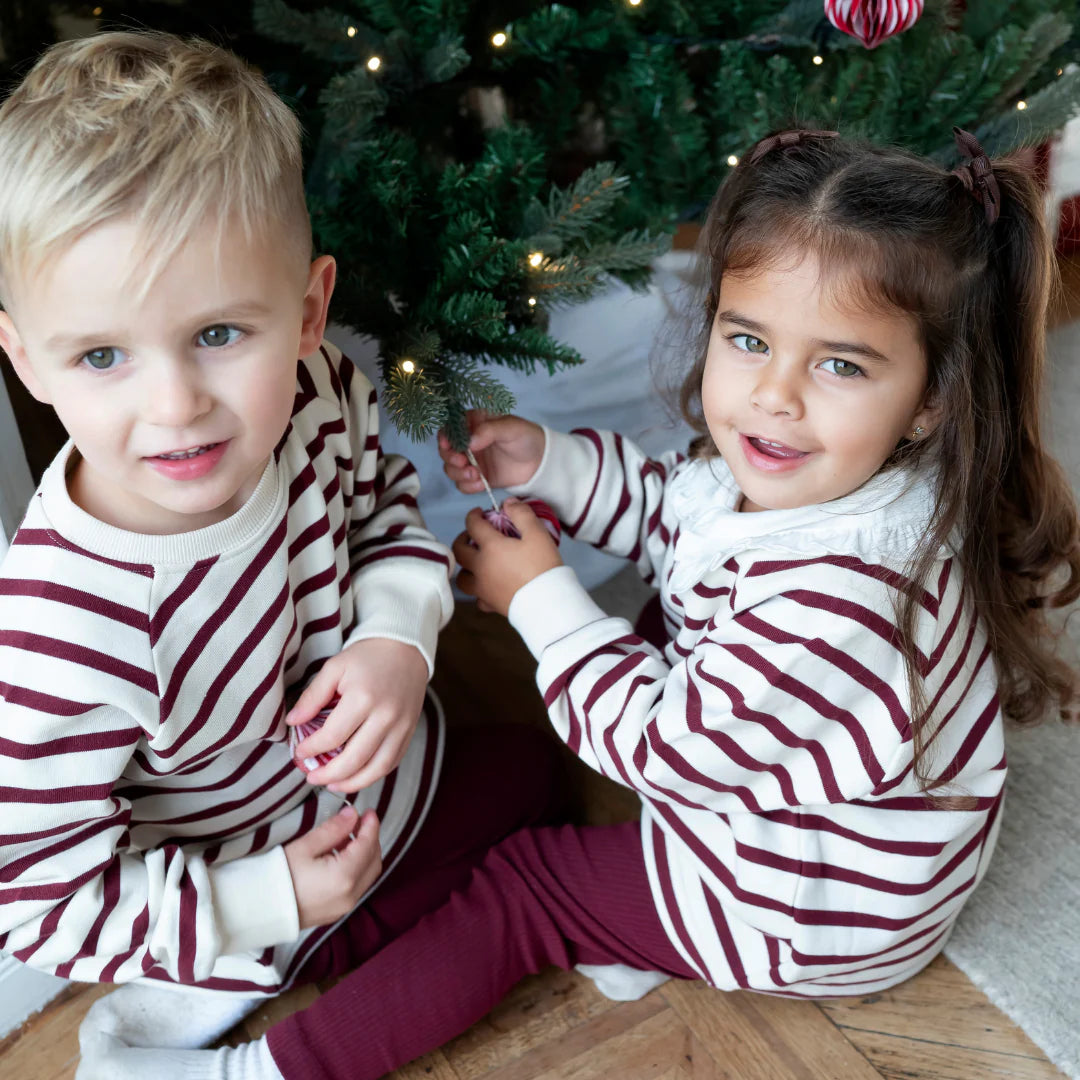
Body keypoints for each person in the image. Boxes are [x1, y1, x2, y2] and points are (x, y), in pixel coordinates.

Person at [60, 127, 1080, 1078]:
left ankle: (260, 1069)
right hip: (797, 813)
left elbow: (657, 747)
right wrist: (552, 462)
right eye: (748, 339)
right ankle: (273, 949)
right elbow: (683, 524)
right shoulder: (831, 472)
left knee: (525, 893)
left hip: (808, 906)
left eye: (842, 365)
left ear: (934, 397)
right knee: (584, 699)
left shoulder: (846, 593)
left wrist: (540, 597)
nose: (775, 396)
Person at [0, 30, 566, 1080]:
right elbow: (35, 902)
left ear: (308, 312)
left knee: (539, 779)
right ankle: (194, 1050)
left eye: (220, 334)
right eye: (104, 356)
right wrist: (269, 902)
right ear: (28, 361)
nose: (175, 407)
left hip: (388, 783)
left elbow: (387, 509)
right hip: (247, 890)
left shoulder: (316, 394)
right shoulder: (57, 637)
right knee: (512, 906)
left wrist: (399, 637)